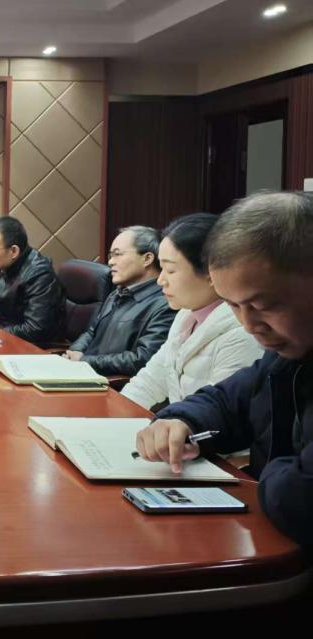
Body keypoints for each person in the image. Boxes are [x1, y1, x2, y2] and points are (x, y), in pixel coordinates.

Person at [135, 192, 313, 545]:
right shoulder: (287, 352)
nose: (249, 325)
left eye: (263, 306)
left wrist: (272, 469)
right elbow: (229, 401)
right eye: (233, 305)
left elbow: (300, 499)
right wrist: (182, 421)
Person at [120, 213, 262, 409]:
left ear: (212, 272)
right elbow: (149, 382)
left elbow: (218, 413)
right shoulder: (186, 315)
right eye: (161, 269)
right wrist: (114, 414)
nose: (160, 280)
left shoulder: (242, 333)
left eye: (170, 270)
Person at [64, 226, 176, 377]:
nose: (110, 262)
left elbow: (142, 359)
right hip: (85, 373)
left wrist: (85, 361)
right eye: (110, 256)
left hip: (112, 383)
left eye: (117, 254)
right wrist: (75, 352)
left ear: (147, 259)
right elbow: (91, 332)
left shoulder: (166, 304)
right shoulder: (117, 293)